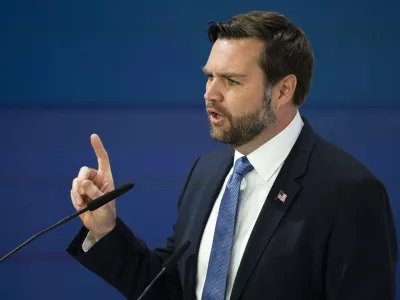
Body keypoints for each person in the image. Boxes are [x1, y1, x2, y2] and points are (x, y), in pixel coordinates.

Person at [67, 11, 398, 300]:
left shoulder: (351, 193)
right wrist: (106, 230)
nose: (210, 93)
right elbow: (171, 289)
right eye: (210, 76)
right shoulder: (206, 172)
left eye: (232, 81)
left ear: (283, 89)